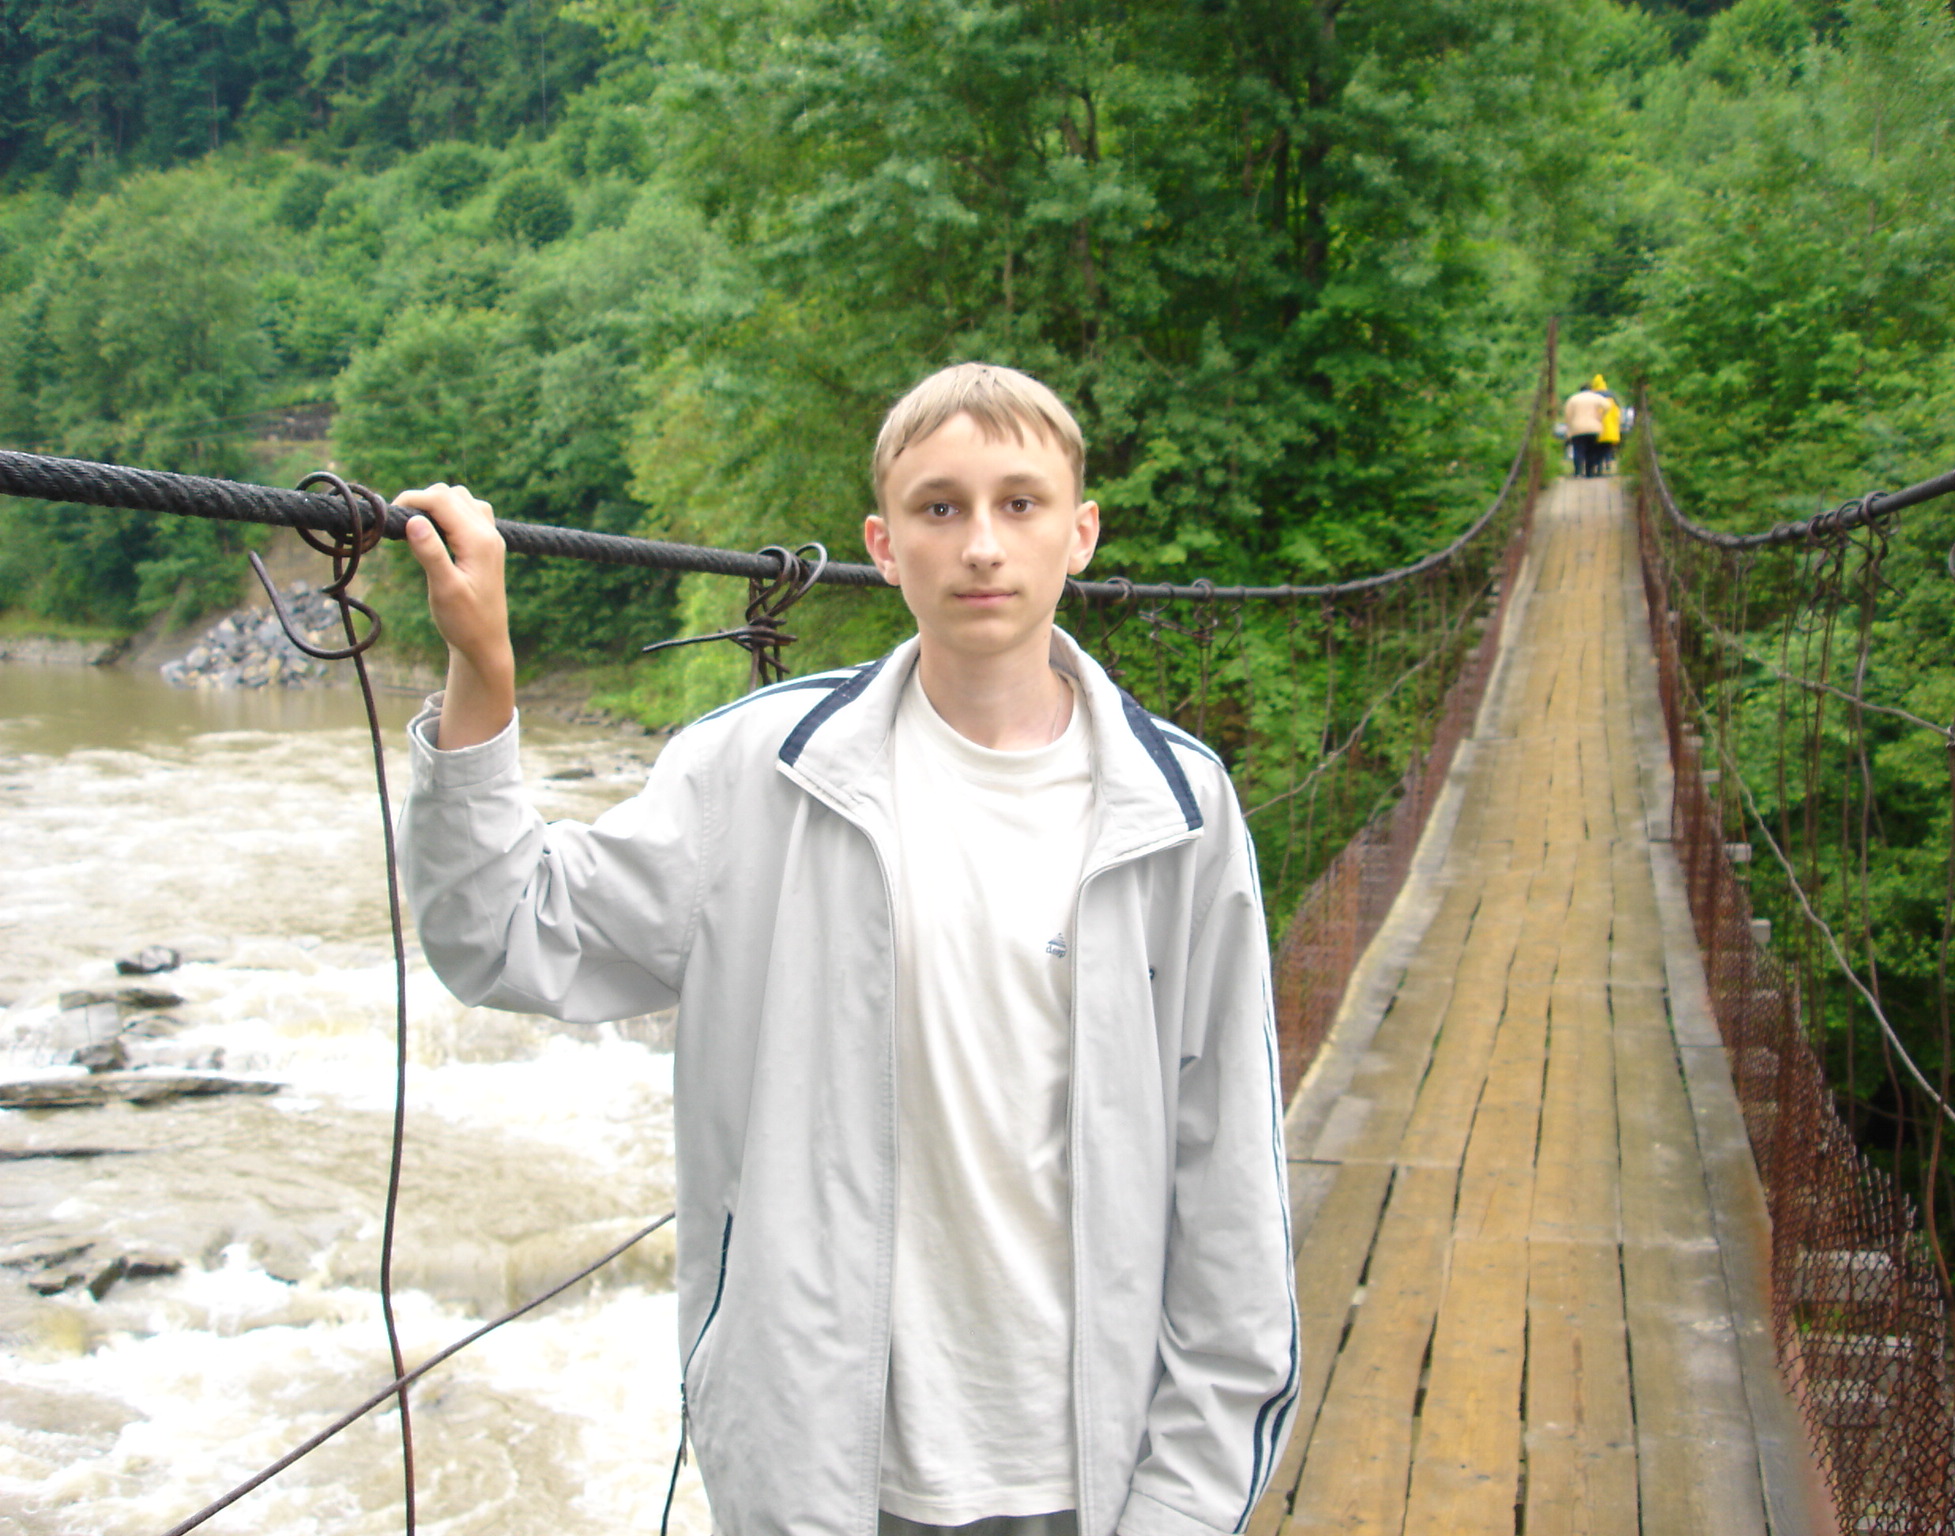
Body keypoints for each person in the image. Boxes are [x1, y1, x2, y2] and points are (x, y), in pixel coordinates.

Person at [394, 363, 1300, 1536]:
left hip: (1097, 1476)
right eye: (939, 507)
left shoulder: (1179, 808)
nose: (981, 544)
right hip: (819, 1480)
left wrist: (1182, 1504)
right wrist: (483, 668)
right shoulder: (752, 774)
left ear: (1079, 533)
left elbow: (1227, 1175)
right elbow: (501, 935)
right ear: (883, 545)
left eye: (1019, 503)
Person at [1561, 376, 1609, 478]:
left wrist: (1569, 426)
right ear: (1590, 389)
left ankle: (1578, 472)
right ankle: (1589, 472)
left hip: (1577, 428)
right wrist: (1600, 416)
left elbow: (1567, 414)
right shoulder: (1595, 397)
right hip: (1593, 427)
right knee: (1591, 450)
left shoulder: (1573, 399)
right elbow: (1607, 405)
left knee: (1578, 450)